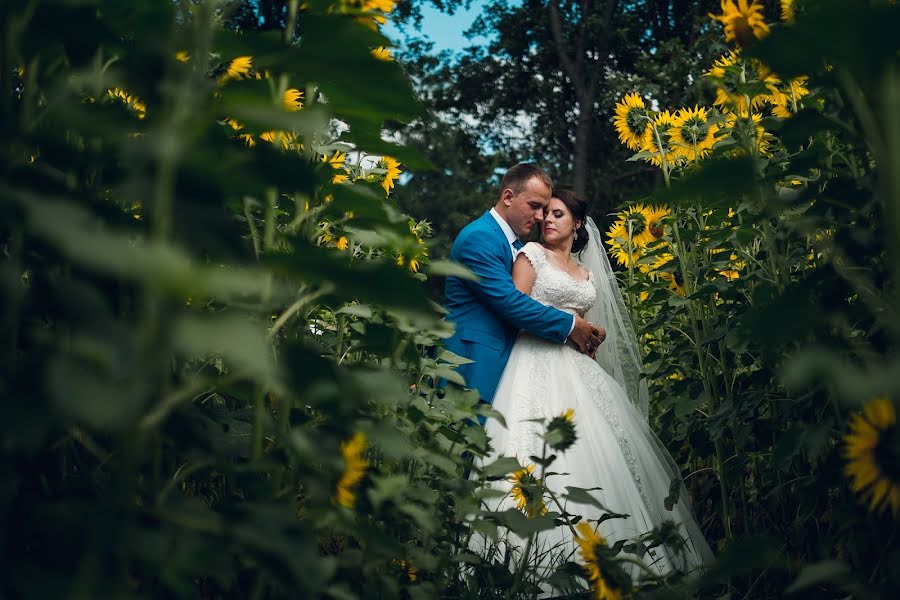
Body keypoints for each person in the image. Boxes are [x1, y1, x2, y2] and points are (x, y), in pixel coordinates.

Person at [476, 189, 713, 584]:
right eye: (545, 214)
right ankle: (522, 567)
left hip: (579, 371)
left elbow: (584, 325)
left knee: (599, 454)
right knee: (529, 451)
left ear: (578, 223)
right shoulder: (531, 256)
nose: (546, 220)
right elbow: (514, 310)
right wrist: (567, 327)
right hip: (534, 360)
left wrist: (590, 336)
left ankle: (616, 562)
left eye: (557, 214)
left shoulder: (586, 274)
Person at [443, 164, 604, 410]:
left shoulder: (518, 248)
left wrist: (587, 330)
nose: (541, 217)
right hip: (473, 362)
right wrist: (571, 325)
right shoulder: (480, 237)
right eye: (535, 206)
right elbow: (511, 302)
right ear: (508, 196)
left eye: (546, 209)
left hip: (510, 365)